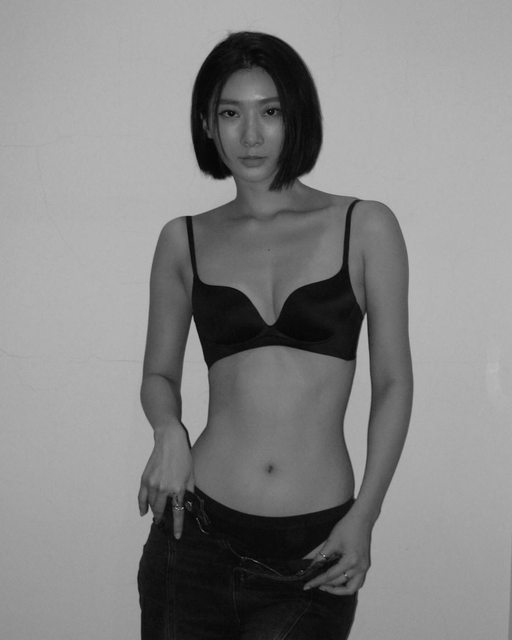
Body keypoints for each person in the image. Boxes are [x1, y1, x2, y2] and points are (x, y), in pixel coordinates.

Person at [137, 31, 413, 640]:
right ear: (207, 125)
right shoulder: (182, 239)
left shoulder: (365, 226)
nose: (251, 136)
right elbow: (158, 374)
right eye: (230, 114)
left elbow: (393, 383)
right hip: (194, 538)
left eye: (270, 111)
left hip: (315, 552)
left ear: (296, 118)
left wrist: (365, 516)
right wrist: (168, 431)